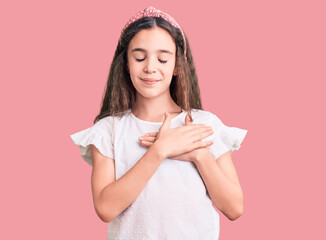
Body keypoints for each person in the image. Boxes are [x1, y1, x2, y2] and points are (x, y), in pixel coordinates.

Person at [70, 6, 247, 240]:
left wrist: (199, 154)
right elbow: (105, 208)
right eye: (140, 57)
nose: (150, 67)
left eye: (162, 59)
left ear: (176, 66)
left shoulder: (204, 124)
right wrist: (160, 150)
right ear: (125, 63)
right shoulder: (108, 130)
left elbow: (234, 208)